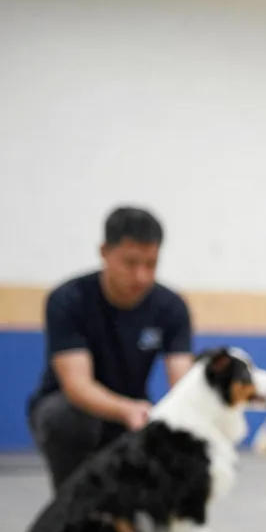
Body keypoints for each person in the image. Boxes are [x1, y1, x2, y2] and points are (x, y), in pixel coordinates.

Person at [26, 206, 193, 490]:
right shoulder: (68, 300)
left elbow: (184, 384)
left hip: (132, 415)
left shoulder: (171, 307)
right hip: (71, 410)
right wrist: (128, 410)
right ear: (104, 251)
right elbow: (77, 385)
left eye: (151, 264)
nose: (141, 276)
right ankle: (70, 499)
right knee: (69, 419)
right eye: (130, 263)